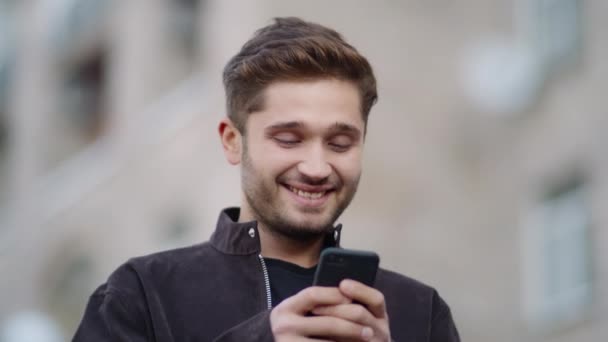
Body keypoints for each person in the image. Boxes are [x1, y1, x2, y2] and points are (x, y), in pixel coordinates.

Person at [73, 17, 460, 342]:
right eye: (289, 139)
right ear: (232, 142)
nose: (316, 167)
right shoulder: (141, 293)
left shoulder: (421, 313)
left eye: (340, 143)